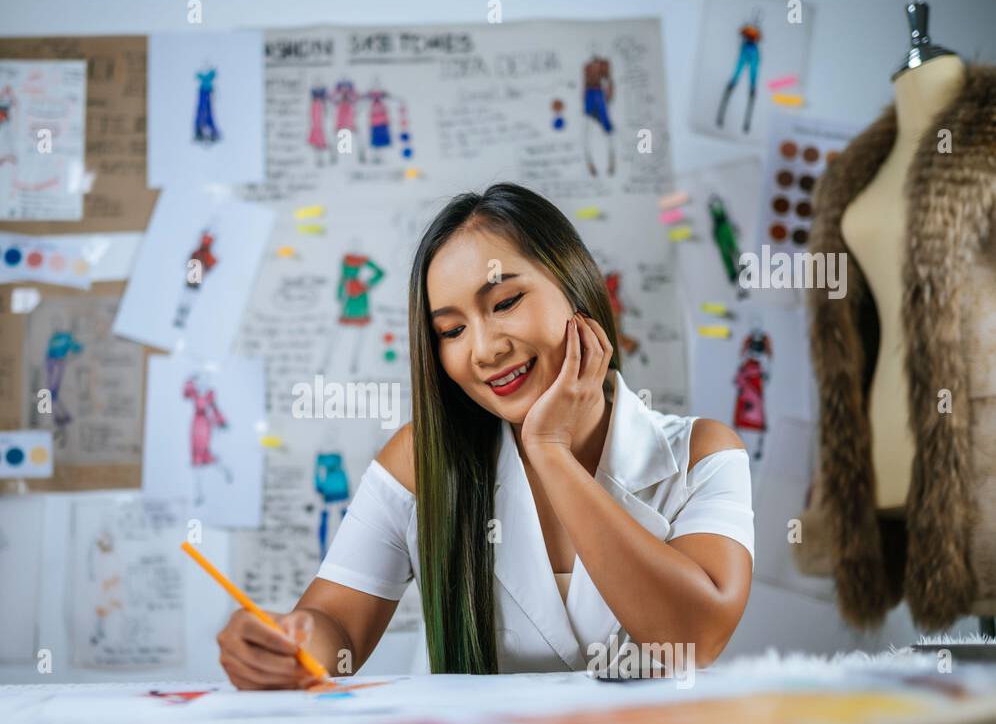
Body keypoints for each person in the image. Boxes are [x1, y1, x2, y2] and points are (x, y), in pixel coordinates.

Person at [217, 183, 754, 687]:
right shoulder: (420, 459)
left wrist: (551, 452)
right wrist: (290, 640)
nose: (484, 349)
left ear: (577, 286)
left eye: (504, 303)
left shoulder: (704, 452)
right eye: (451, 330)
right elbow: (336, 627)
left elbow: (693, 638)